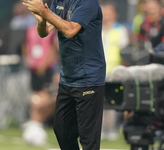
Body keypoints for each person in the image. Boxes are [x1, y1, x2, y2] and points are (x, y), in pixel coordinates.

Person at [22, 0, 106, 149]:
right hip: (67, 77)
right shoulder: (59, 1)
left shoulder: (88, 2)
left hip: (88, 78)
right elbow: (45, 31)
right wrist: (41, 21)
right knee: (62, 131)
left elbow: (70, 30)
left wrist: (44, 11)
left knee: (88, 139)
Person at [22, 24, 59, 146]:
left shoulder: (52, 29)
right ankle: (35, 122)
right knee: (36, 96)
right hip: (33, 68)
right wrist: (28, 59)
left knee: (44, 96)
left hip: (47, 69)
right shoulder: (30, 29)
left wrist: (43, 64)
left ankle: (36, 122)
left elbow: (53, 48)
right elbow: (26, 45)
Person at [101, 2, 129, 140]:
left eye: (108, 12)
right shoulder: (96, 28)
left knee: (112, 101)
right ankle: (99, 129)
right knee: (98, 101)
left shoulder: (120, 30)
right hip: (98, 71)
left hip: (114, 70)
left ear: (115, 14)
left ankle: (110, 129)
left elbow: (125, 52)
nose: (106, 14)